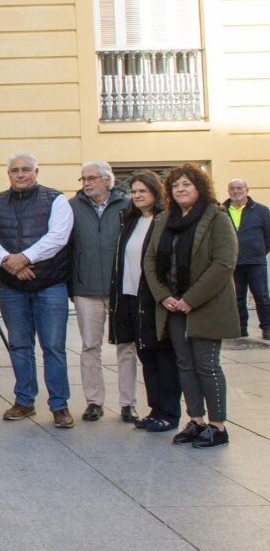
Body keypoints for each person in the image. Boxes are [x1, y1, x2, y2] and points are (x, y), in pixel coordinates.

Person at [145, 164, 239, 449]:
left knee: (206, 365)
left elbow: (224, 263)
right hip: (173, 306)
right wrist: (164, 296)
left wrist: (191, 299)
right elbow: (150, 261)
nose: (181, 189)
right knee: (185, 365)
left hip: (205, 305)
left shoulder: (216, 216)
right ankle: (196, 421)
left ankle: (217, 426)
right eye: (175, 185)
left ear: (199, 187)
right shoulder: (165, 219)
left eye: (186, 184)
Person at [0, 152, 75, 428]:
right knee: (20, 345)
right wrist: (10, 263)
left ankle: (59, 405)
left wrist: (26, 257)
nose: (20, 174)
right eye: (14, 170)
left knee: (54, 347)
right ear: (7, 174)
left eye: (25, 169)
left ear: (36, 171)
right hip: (12, 286)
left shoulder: (56, 199)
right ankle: (24, 400)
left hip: (49, 285)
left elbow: (58, 237)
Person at [111, 171, 178, 431]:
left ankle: (169, 412)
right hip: (129, 296)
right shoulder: (131, 220)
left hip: (154, 298)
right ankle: (154, 409)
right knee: (145, 354)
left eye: (143, 191)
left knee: (163, 356)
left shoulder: (165, 221)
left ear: (156, 193)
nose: (137, 196)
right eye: (134, 191)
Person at [69, 161, 133, 422]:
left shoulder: (128, 205)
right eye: (83, 178)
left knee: (126, 347)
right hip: (86, 288)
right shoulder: (72, 206)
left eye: (92, 178)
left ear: (108, 180)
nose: (86, 183)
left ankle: (128, 403)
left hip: (121, 288)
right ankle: (94, 401)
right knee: (89, 346)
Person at [224, 179, 270, 339]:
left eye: (239, 188)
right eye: (232, 188)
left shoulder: (261, 211)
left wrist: (259, 251)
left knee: (262, 296)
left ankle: (267, 327)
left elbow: (268, 235)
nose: (235, 191)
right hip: (232, 262)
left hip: (255, 262)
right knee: (236, 297)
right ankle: (240, 328)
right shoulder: (222, 210)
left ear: (247, 190)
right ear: (228, 191)